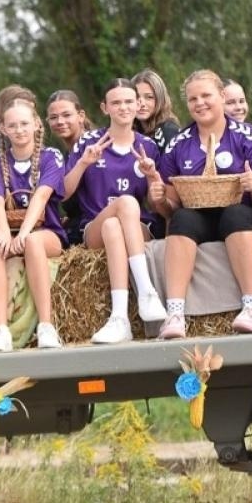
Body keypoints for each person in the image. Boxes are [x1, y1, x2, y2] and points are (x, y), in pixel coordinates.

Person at [151, 71, 252, 340]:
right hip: (200, 217)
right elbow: (171, 207)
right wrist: (159, 199)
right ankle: (175, 313)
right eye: (193, 99)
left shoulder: (248, 136)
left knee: (235, 214)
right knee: (182, 218)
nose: (200, 103)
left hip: (243, 215)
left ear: (222, 96)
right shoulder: (178, 144)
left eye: (206, 95)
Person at [64, 80, 167, 346]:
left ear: (138, 105)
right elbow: (62, 193)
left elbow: (159, 203)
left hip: (135, 228)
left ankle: (119, 318)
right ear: (105, 108)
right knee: (124, 206)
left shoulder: (148, 147)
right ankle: (146, 291)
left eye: (129, 101)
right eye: (116, 102)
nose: (123, 107)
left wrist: (154, 176)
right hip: (93, 227)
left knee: (118, 224)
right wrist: (84, 163)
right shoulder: (88, 142)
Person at [0, 96, 67, 352]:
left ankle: (46, 325)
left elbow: (41, 197)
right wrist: (6, 233)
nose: (19, 130)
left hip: (45, 232)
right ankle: (0, 328)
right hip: (12, 230)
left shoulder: (50, 156)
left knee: (31, 242)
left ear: (36, 125)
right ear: (3, 129)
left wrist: (25, 232)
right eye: (13, 125)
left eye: (24, 123)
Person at [46, 89, 92, 244]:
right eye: (54, 117)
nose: (60, 121)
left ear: (81, 116)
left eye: (66, 115)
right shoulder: (64, 156)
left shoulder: (94, 147)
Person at [133, 70, 181, 152]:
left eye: (149, 97)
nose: (142, 103)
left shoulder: (168, 131)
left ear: (160, 99)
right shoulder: (132, 130)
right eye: (136, 97)